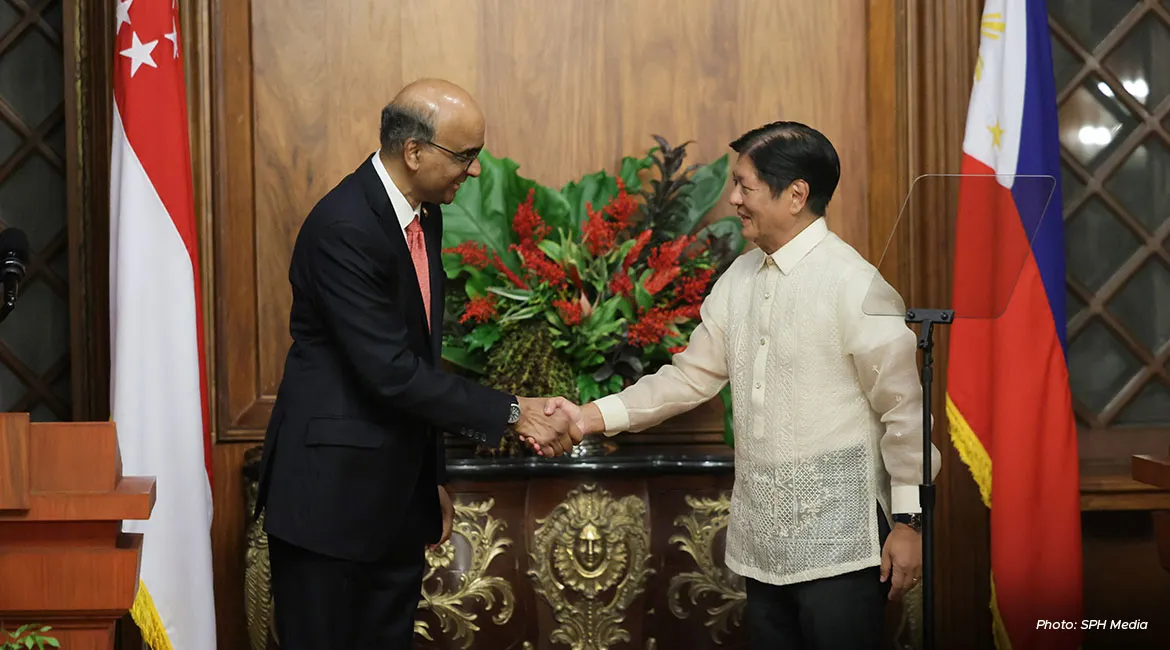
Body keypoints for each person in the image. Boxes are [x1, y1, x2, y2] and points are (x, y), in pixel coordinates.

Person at [540, 121, 941, 650]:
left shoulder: (854, 283)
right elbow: (689, 377)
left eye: (745, 186)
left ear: (796, 194)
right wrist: (588, 417)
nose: (733, 198)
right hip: (763, 545)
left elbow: (903, 410)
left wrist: (909, 522)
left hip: (843, 545)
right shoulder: (740, 277)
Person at [253, 78, 580, 650]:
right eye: (465, 156)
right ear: (414, 152)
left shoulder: (422, 214)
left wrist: (426, 480)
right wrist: (513, 413)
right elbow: (391, 371)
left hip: (392, 502)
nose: (474, 171)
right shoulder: (344, 227)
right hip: (328, 504)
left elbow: (416, 356)